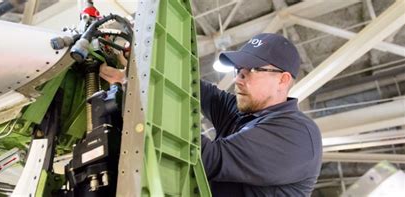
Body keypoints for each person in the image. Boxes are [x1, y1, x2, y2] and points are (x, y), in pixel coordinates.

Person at [99, 33, 322, 197]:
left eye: (251, 70)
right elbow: (197, 90)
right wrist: (139, 66)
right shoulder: (245, 112)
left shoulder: (298, 135)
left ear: (282, 80)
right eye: (238, 70)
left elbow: (206, 158)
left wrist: (140, 88)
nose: (238, 79)